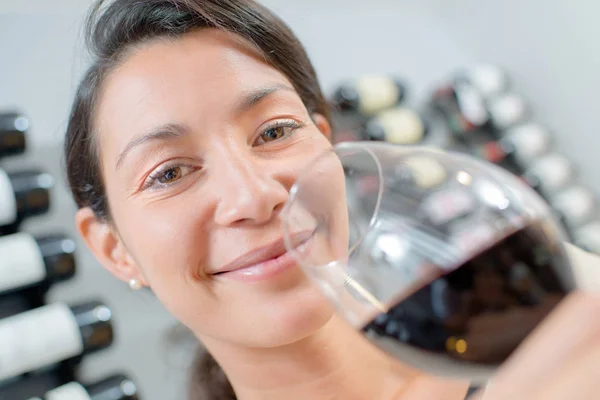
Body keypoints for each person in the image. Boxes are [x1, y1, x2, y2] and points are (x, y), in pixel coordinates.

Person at [63, 1, 600, 399]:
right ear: (114, 250)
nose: (253, 197)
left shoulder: (558, 309)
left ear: (332, 151)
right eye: (170, 172)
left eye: (273, 132)